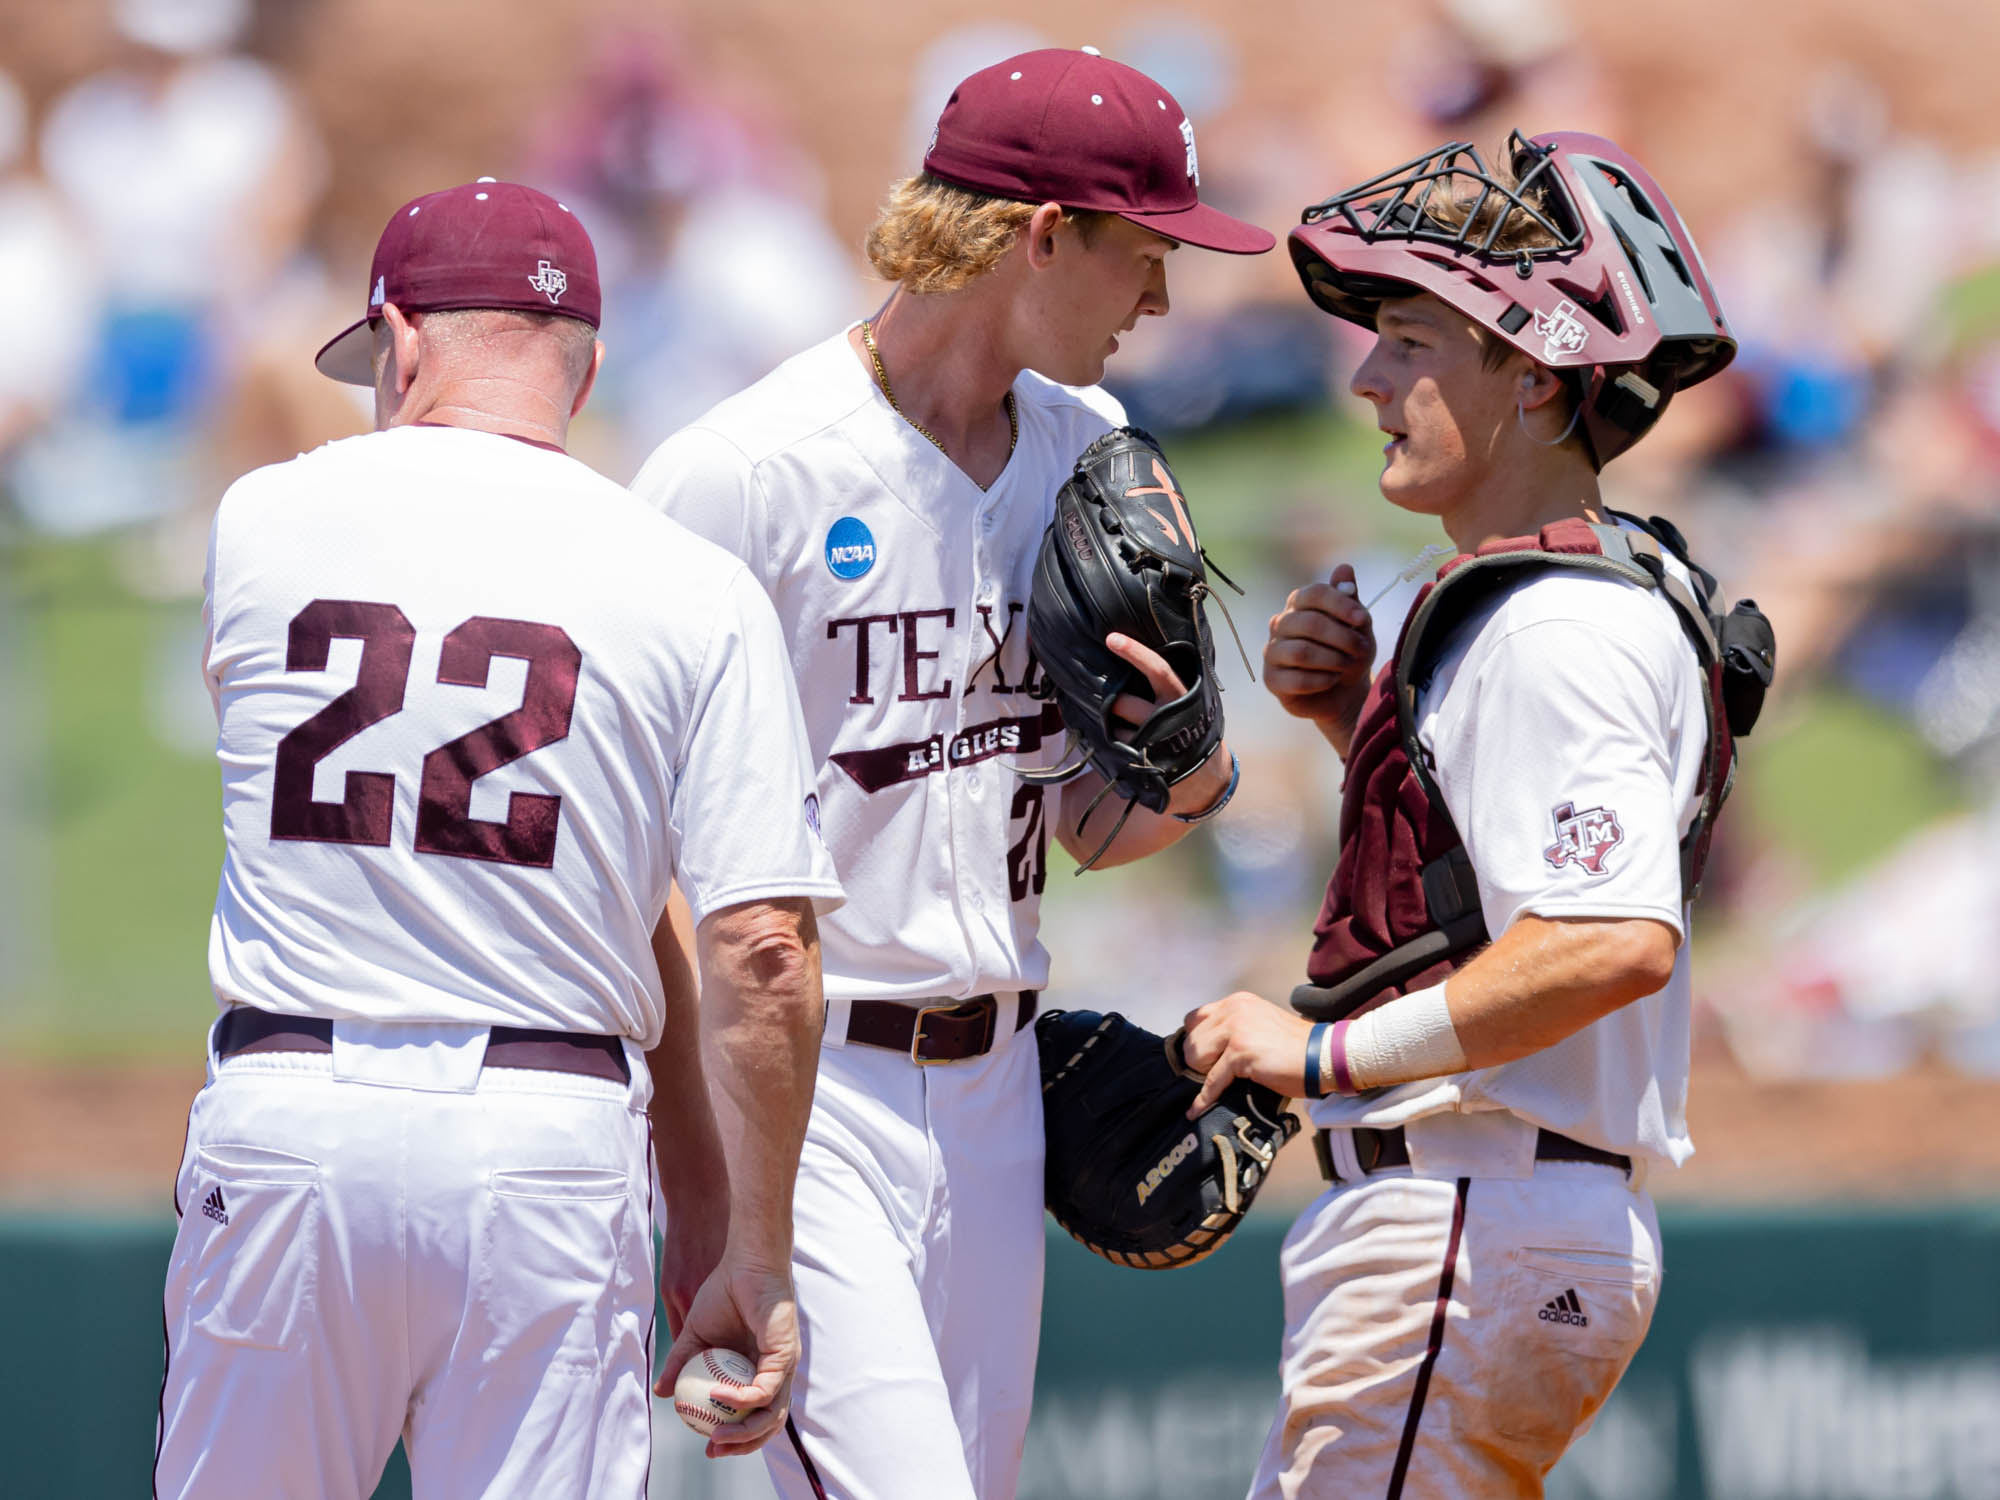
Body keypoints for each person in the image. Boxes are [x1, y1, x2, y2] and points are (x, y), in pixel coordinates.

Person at [629, 48, 1274, 1500]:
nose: (1162, 298)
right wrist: (706, 1164)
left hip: (997, 1095)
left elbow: (1083, 826)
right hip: (808, 1086)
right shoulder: (747, 472)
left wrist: (1196, 769)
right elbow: (633, 858)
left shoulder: (1088, 449)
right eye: (1143, 253)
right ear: (1044, 235)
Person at [155, 179, 844, 1500]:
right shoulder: (689, 584)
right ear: (583, 367)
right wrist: (745, 1234)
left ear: (401, 345)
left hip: (293, 1113)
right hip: (547, 1142)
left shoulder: (261, 524)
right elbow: (761, 950)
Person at [1180, 132, 1747, 1497]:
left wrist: (1322, 1063)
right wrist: (1364, 728)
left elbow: (1611, 941)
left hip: (1475, 1212)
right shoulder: (1540, 602)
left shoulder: (1560, 625)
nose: (1367, 374)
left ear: (1538, 376)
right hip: (1481, 1212)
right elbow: (1482, 911)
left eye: (1414, 337)